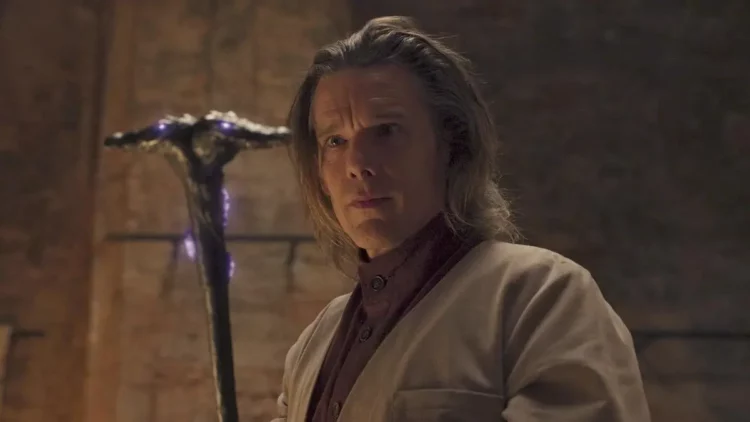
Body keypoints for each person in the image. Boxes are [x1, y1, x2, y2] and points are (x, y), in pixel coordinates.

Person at [277, 16, 650, 422]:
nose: (357, 163)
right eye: (335, 141)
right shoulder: (315, 345)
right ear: (320, 172)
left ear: (451, 144)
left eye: (385, 131)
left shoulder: (539, 297)